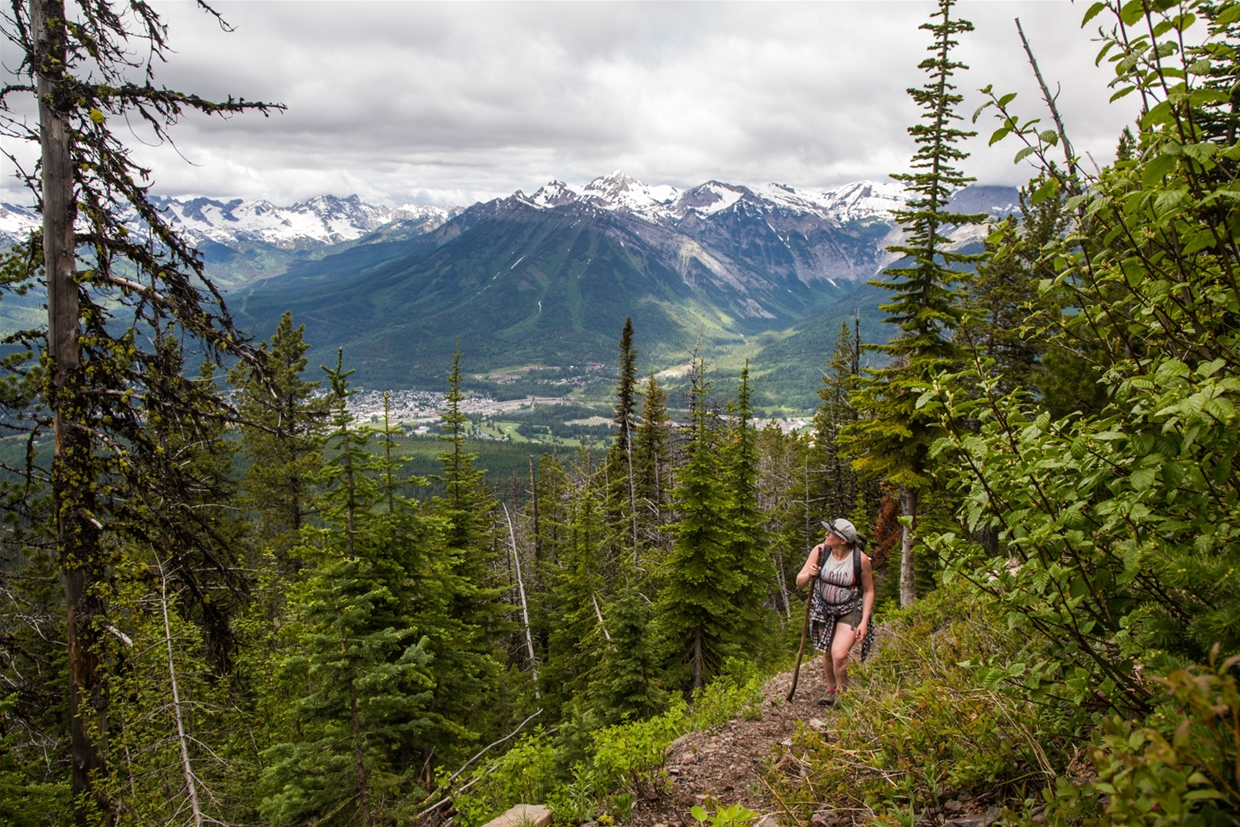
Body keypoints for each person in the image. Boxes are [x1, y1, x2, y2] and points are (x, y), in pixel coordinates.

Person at [795, 517, 874, 706]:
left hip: (850, 608)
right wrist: (809, 574)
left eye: (831, 532)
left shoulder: (860, 560)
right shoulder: (820, 551)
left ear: (843, 540)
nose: (826, 534)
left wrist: (864, 621)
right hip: (824, 607)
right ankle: (831, 689)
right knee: (828, 652)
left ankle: (843, 692)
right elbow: (799, 581)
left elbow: (869, 590)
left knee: (839, 654)